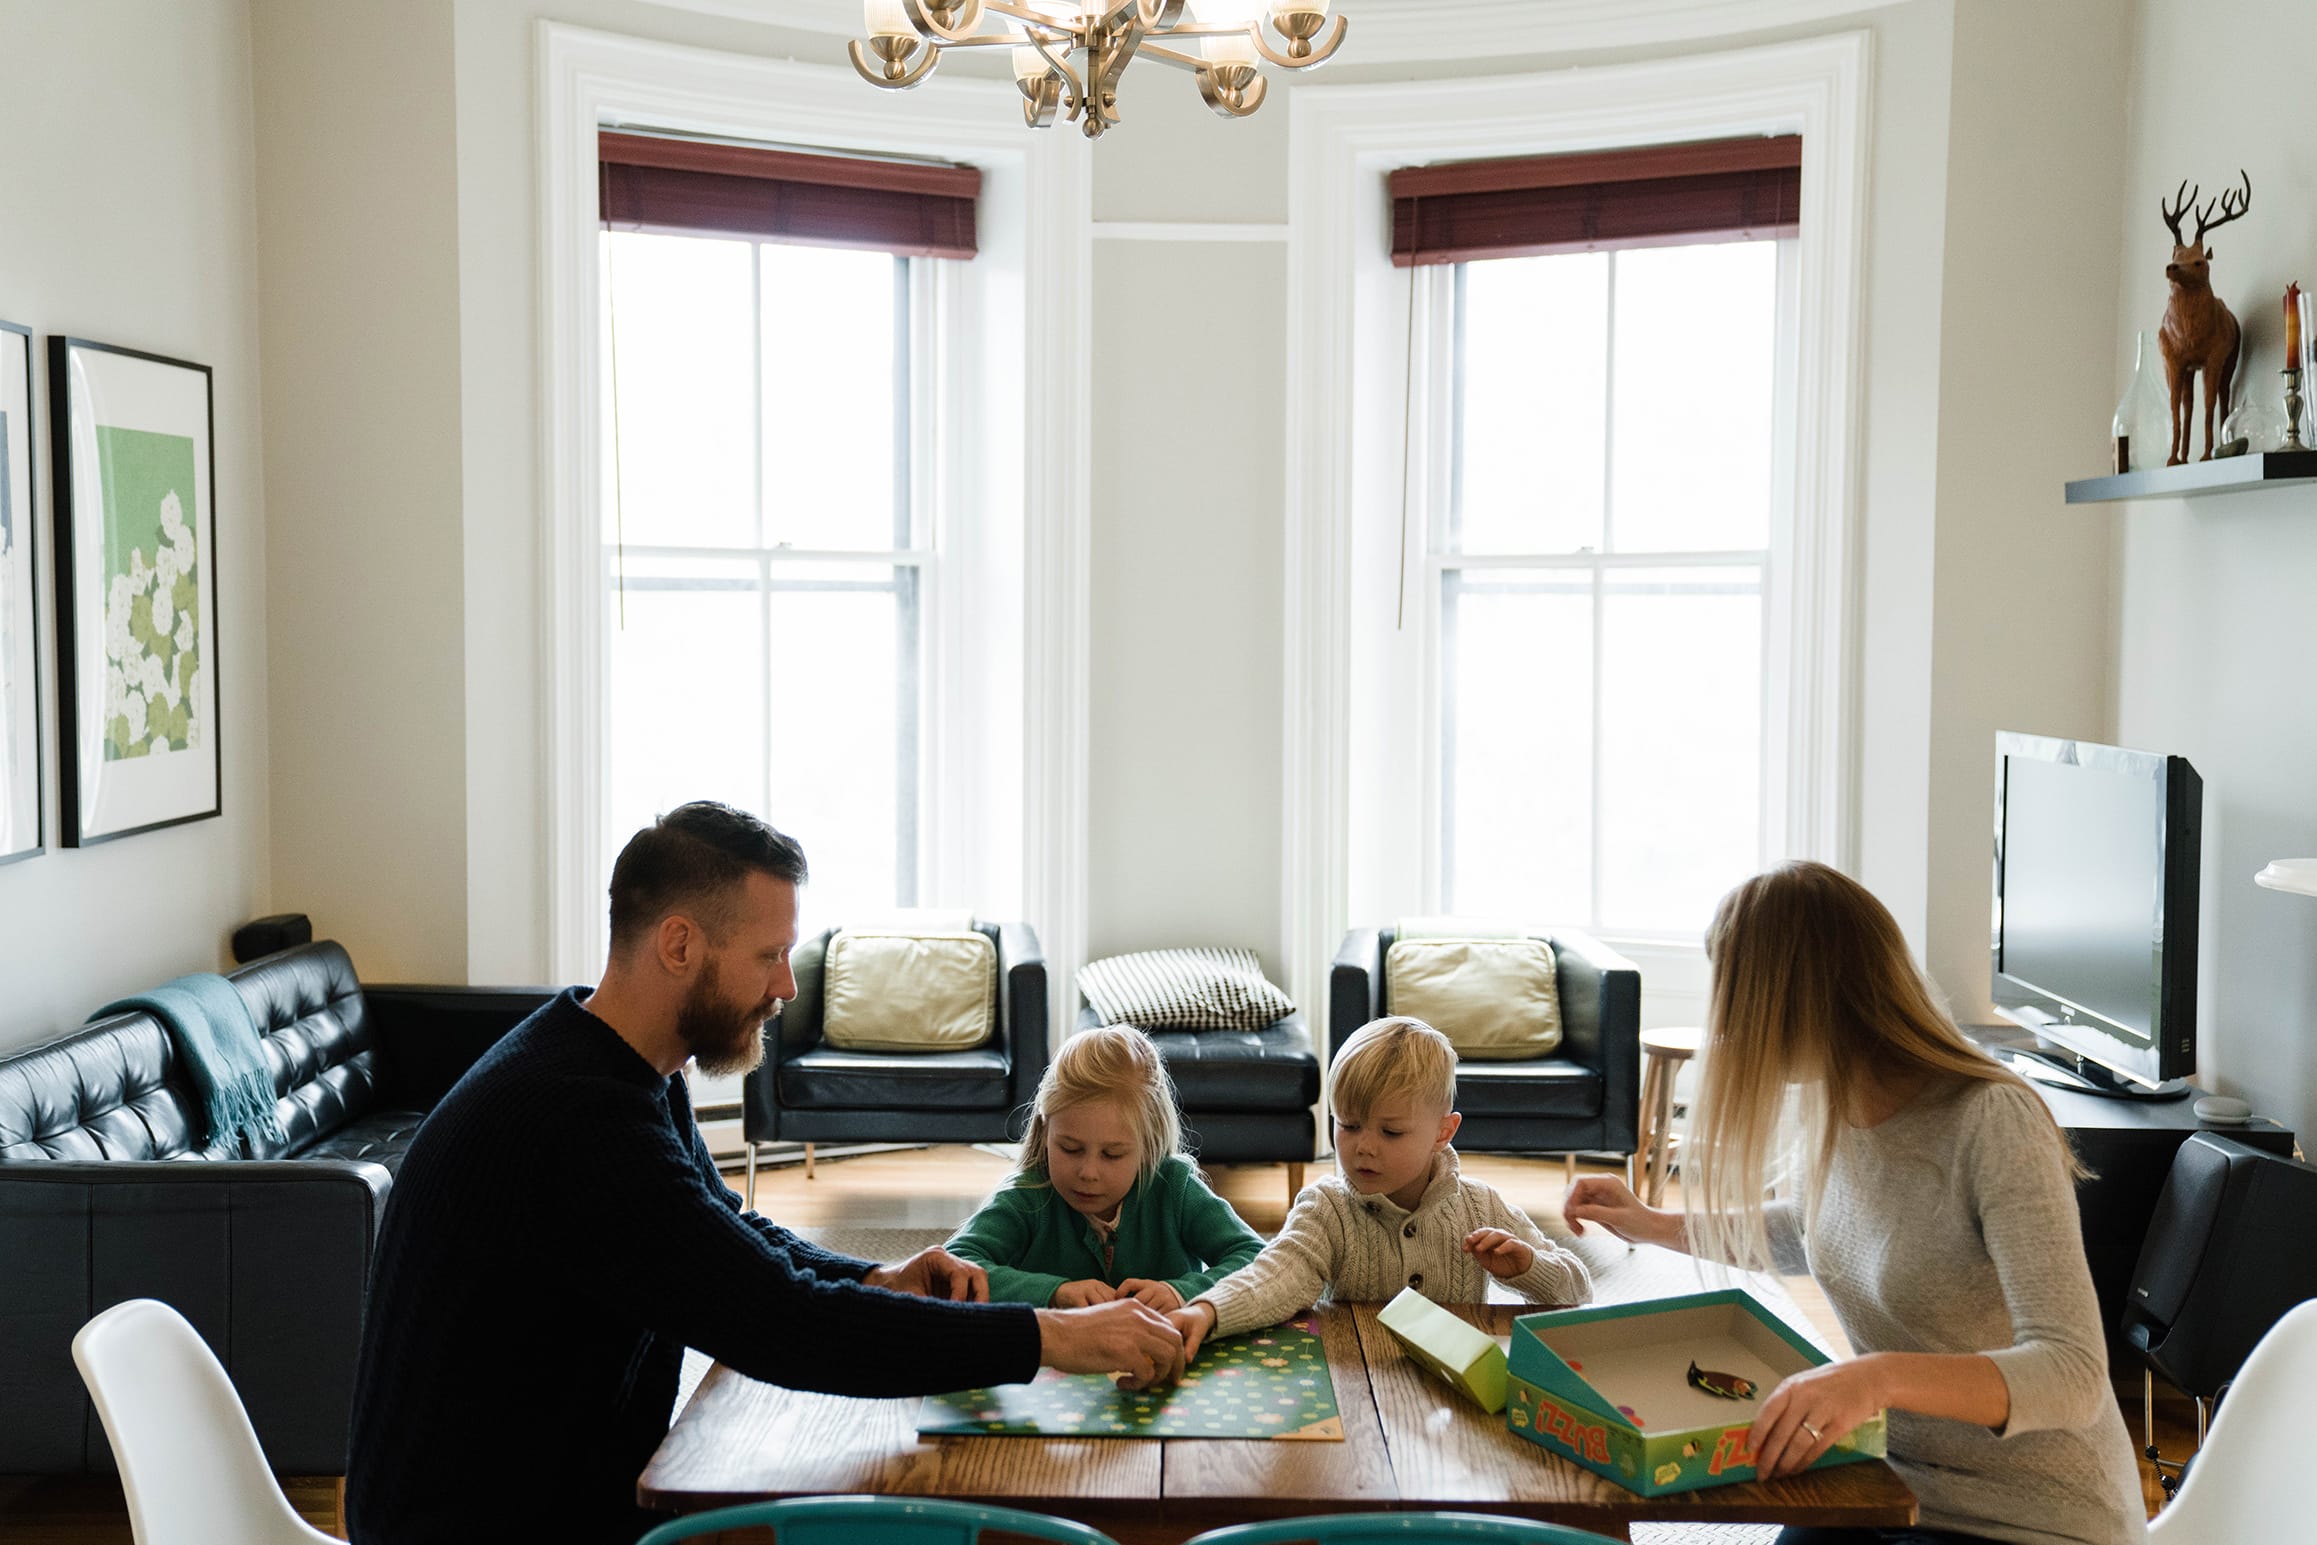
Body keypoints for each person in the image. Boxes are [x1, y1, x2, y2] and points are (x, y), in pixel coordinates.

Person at [347, 802, 1184, 1545]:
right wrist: (1048, 1336)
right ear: (679, 943)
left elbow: (723, 1230)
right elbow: (783, 1324)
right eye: (768, 955)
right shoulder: (578, 1119)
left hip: (552, 1494)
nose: (786, 985)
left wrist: (876, 1276)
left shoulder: (614, 1060)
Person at [1563, 861, 2147, 1545]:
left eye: (1736, 995)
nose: (1727, 1023)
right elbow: (1810, 1227)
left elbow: (2070, 1372)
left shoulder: (1992, 1120)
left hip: (2033, 1514)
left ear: (1796, 999)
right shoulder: (1836, 1097)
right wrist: (1653, 1222)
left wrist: (1873, 1379)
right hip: (1892, 1481)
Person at [1166, 1016, 1593, 1361]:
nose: (1364, 1147)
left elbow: (1577, 1291)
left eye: (1391, 1132)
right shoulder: (1325, 1208)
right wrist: (1211, 1308)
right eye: (1348, 1125)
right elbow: (1277, 1276)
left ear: (1443, 1131)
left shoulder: (1481, 1205)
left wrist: (1528, 1267)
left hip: (1452, 1398)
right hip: (1356, 1383)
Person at [945, 1024, 1265, 1308]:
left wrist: (1182, 1291)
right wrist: (1054, 1292)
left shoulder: (1175, 1187)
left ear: (1148, 1145)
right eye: (1070, 1148)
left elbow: (1257, 1258)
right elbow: (953, 1264)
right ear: (1045, 1131)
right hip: (1056, 1367)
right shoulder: (1027, 1194)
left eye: (1112, 1154)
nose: (1088, 1172)